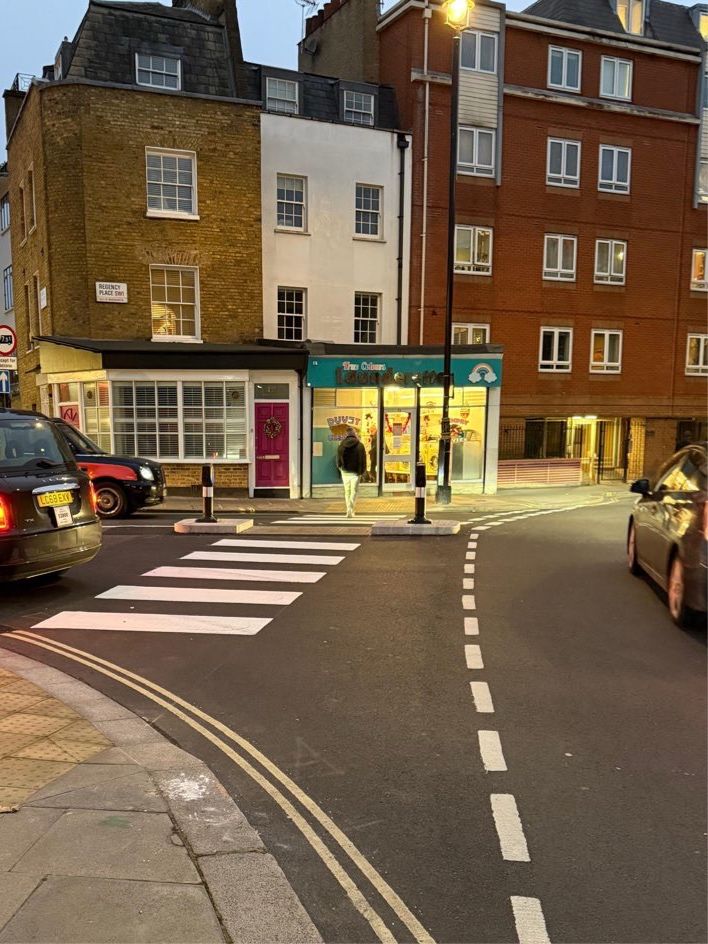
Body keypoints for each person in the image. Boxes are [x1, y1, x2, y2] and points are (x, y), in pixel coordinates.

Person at [336, 426, 367, 518]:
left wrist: (340, 468)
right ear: (354, 434)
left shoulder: (341, 445)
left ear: (346, 435)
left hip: (345, 472)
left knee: (347, 492)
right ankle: (351, 509)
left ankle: (348, 509)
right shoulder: (360, 445)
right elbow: (363, 460)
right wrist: (362, 471)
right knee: (354, 491)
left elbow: (338, 459)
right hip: (356, 473)